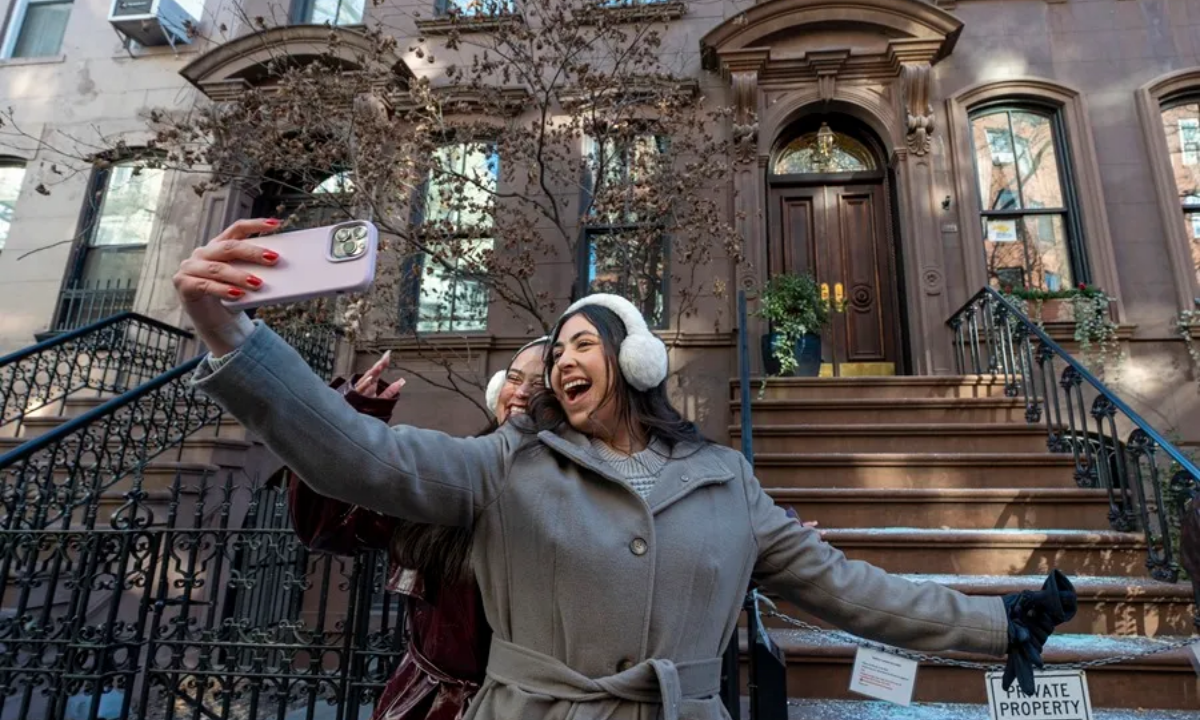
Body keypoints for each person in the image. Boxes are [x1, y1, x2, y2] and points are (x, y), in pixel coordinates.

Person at [177, 219, 1076, 720]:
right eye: (555, 348)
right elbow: (357, 458)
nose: (565, 360)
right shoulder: (504, 465)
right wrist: (234, 337)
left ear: (635, 363)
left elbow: (849, 590)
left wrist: (998, 628)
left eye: (582, 343)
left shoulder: (727, 482)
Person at [274, 339, 548, 720]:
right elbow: (326, 526)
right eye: (514, 378)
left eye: (540, 383)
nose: (520, 392)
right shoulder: (451, 470)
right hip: (427, 706)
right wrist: (353, 416)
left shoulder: (581, 495)